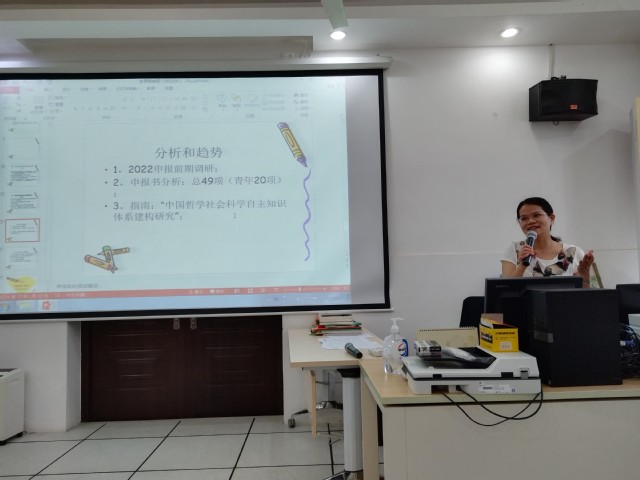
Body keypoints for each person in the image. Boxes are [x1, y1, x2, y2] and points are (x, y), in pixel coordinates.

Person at [501, 197, 594, 287]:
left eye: (536, 215)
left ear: (551, 218)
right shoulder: (514, 250)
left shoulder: (573, 252)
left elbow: (585, 294)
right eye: (524, 218)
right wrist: (522, 265)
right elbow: (506, 290)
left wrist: (585, 276)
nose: (530, 221)